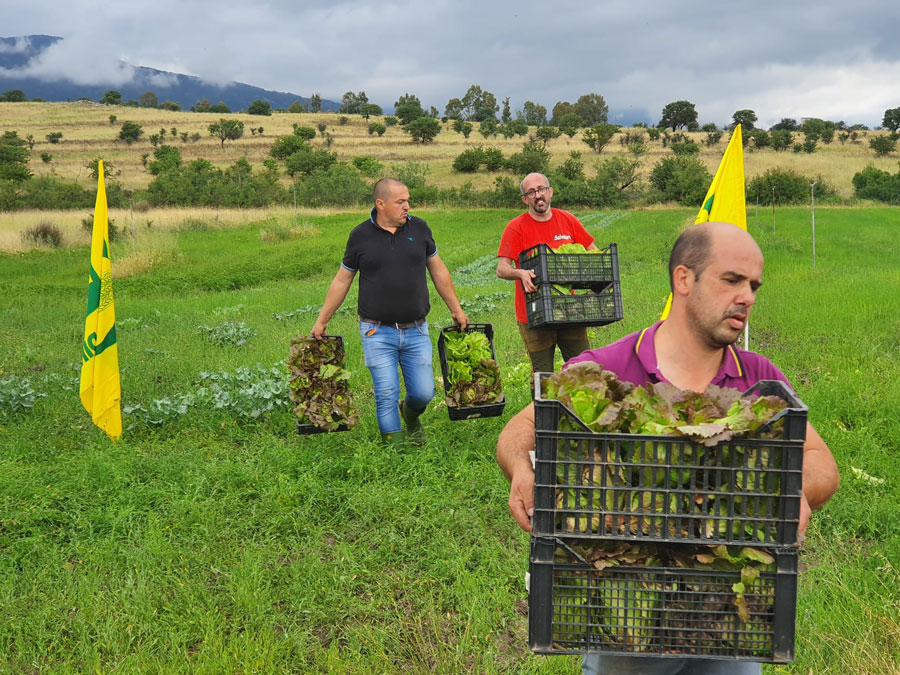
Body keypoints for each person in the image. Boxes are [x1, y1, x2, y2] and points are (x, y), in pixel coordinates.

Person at [496, 221, 840, 675]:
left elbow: (821, 462)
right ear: (684, 279)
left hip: (724, 612)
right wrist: (522, 468)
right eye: (732, 280)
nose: (748, 297)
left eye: (754, 285)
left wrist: (793, 493)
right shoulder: (612, 365)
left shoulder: (756, 375)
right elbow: (520, 428)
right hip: (630, 608)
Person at [311, 177, 468, 445]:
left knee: (424, 393)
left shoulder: (419, 229)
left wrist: (456, 309)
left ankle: (410, 414)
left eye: (408, 200)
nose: (407, 206)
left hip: (417, 329)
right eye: (401, 201)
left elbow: (438, 270)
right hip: (376, 331)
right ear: (380, 204)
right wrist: (322, 320)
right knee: (386, 393)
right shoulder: (360, 236)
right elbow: (342, 279)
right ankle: (395, 454)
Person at [496, 172, 599, 385]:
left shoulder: (567, 220)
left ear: (550, 192)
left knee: (582, 370)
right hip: (534, 314)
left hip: (569, 310)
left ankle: (577, 415)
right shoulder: (516, 227)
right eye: (531, 192)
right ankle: (544, 416)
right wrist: (520, 273)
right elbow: (502, 268)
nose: (538, 195)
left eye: (541, 189)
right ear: (525, 199)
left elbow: (593, 252)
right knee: (543, 378)